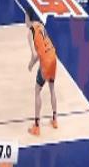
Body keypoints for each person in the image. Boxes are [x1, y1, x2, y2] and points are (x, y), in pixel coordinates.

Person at [25, 7, 58, 137]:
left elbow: (35, 55)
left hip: (46, 62)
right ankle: (55, 120)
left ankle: (37, 126)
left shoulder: (30, 32)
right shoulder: (41, 25)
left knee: (37, 91)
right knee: (52, 88)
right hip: (53, 57)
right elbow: (43, 46)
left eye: (25, 17)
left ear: (28, 17)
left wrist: (30, 65)